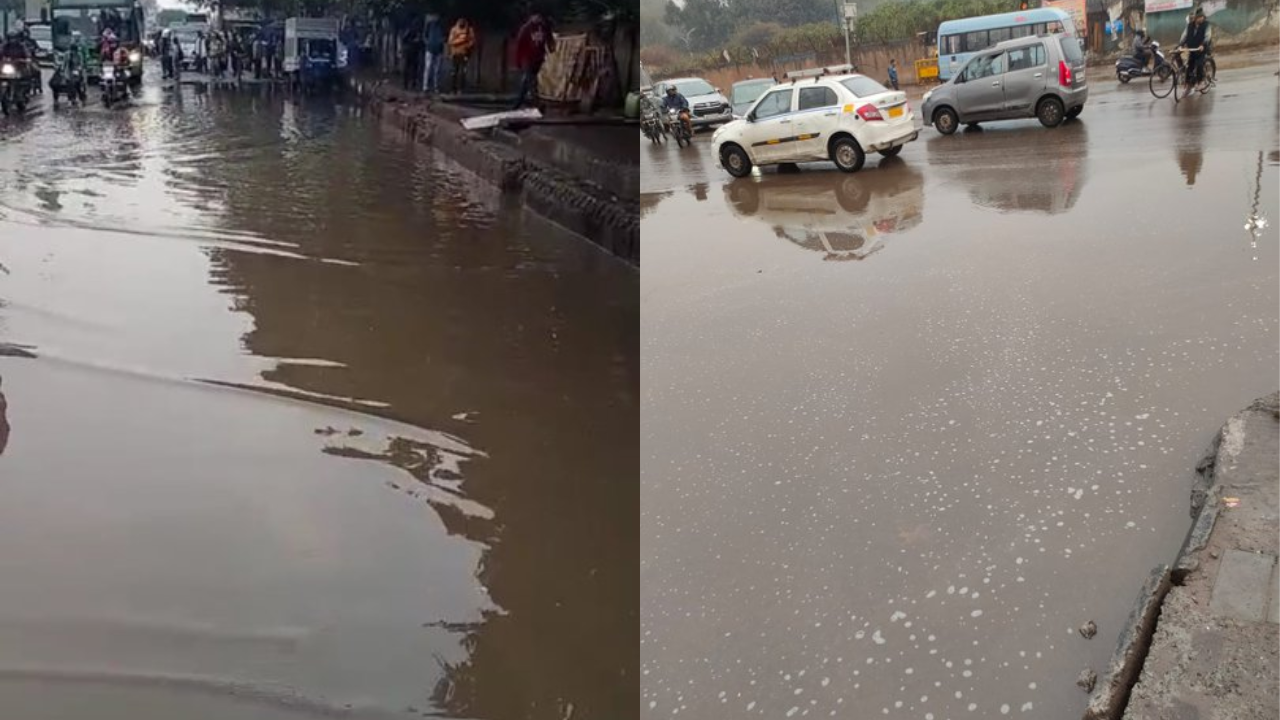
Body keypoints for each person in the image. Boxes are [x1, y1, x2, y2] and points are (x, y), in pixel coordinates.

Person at [512, 11, 555, 109]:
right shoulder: (526, 29)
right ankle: (537, 104)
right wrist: (518, 61)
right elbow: (519, 46)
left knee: (526, 83)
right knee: (532, 81)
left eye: (539, 16)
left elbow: (549, 38)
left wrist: (551, 46)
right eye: (536, 16)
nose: (538, 19)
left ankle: (516, 104)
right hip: (527, 58)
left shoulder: (543, 27)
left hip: (538, 59)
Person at [1179, 7, 1211, 89]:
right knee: (1189, 66)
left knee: (1199, 64)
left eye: (1202, 17)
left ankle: (1200, 82)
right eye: (1200, 17)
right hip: (1192, 49)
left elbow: (1207, 36)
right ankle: (1188, 83)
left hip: (1202, 49)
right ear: (1196, 18)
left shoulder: (1206, 25)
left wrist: (1203, 45)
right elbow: (1184, 36)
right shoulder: (1189, 26)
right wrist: (1180, 45)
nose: (1202, 18)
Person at [447, 17, 475, 94]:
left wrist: (466, 45)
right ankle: (453, 89)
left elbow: (472, 42)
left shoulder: (469, 30)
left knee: (463, 72)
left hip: (464, 54)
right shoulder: (454, 29)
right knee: (454, 72)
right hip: (455, 53)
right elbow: (450, 42)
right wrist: (461, 40)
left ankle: (461, 89)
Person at [422, 13, 445, 93]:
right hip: (430, 49)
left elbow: (445, 36)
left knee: (437, 70)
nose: (435, 18)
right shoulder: (429, 25)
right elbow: (424, 36)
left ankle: (436, 87)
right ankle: (425, 87)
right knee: (428, 68)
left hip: (439, 50)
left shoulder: (442, 26)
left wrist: (441, 42)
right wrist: (428, 43)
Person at [401, 22, 422, 91]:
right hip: (409, 51)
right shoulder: (410, 30)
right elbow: (404, 40)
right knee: (407, 68)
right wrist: (413, 41)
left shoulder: (417, 32)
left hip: (414, 52)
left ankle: (412, 84)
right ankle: (406, 84)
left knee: (414, 69)